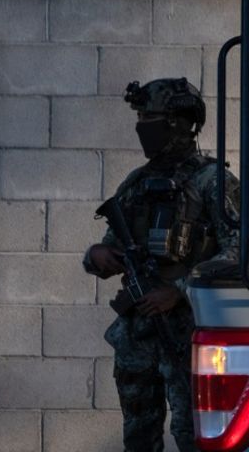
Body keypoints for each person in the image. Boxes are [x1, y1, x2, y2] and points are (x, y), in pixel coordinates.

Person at [83, 78, 240, 451]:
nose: (142, 126)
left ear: (179, 122)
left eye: (149, 117)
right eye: (140, 116)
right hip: (138, 334)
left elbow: (239, 253)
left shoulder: (213, 182)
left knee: (193, 436)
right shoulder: (136, 183)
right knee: (138, 436)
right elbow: (109, 250)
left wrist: (179, 291)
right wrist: (97, 257)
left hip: (187, 334)